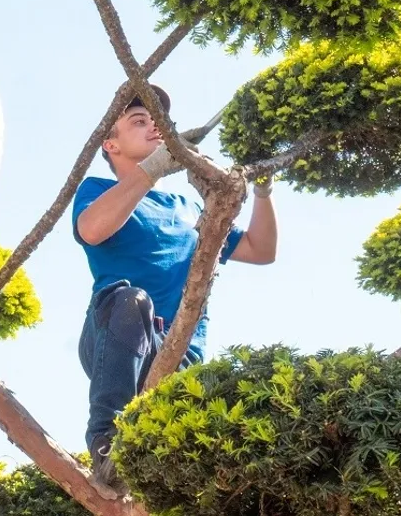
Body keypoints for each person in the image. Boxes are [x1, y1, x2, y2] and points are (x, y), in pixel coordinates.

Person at [71, 85, 277, 492]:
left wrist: (263, 190)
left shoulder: (187, 209)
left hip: (180, 354)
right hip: (116, 339)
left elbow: (260, 249)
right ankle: (104, 443)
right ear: (110, 144)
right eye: (139, 121)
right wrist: (152, 169)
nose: (154, 127)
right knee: (133, 301)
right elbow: (92, 230)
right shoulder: (96, 189)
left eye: (157, 122)